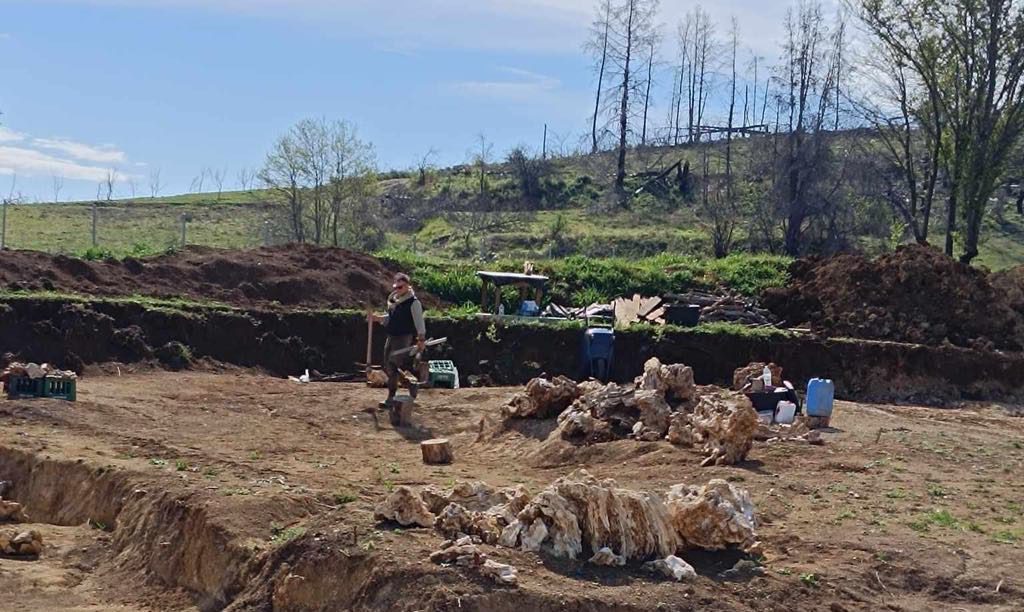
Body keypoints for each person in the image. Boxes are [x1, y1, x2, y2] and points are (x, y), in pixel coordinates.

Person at [371, 273, 426, 407]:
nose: (398, 289)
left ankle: (391, 397)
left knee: (392, 363)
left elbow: (419, 322)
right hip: (391, 336)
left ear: (407, 286)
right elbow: (390, 318)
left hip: (404, 337)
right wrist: (377, 318)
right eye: (396, 286)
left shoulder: (413, 303)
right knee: (387, 364)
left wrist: (421, 339)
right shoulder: (395, 302)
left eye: (401, 286)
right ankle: (410, 384)